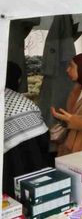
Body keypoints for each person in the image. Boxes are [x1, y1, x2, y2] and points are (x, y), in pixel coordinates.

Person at [3, 62, 50, 195]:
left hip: (8, 160)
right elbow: (43, 135)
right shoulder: (21, 99)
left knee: (12, 192)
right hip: (34, 157)